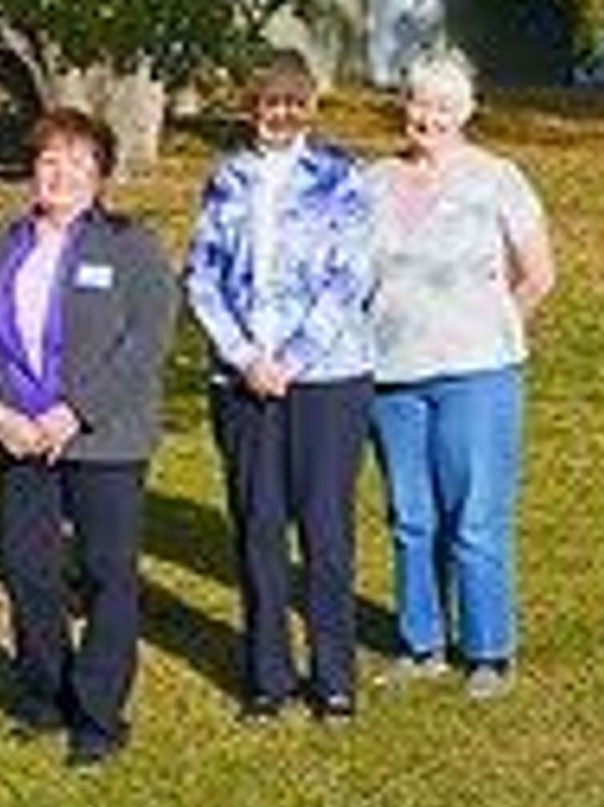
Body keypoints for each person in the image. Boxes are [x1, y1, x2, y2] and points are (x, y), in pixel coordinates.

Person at [0, 105, 174, 766]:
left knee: (106, 573)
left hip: (102, 438)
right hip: (18, 437)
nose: (61, 174)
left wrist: (74, 412)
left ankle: (99, 714)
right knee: (26, 569)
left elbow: (146, 340)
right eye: (49, 159)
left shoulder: (132, 246)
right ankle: (45, 693)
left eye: (77, 162)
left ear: (101, 174)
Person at [184, 49, 380, 721]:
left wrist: (292, 357)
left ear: (311, 109)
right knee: (258, 526)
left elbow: (349, 278)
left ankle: (333, 677)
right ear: (253, 108)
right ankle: (267, 676)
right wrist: (243, 356)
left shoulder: (342, 177)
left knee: (325, 529)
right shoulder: (227, 178)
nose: (281, 115)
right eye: (271, 103)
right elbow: (203, 275)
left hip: (326, 377)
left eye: (294, 104)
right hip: (242, 379)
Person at [364, 51, 555, 699]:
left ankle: (488, 649)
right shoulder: (372, 180)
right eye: (420, 103)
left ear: (466, 111)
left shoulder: (498, 178)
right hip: (391, 373)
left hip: (478, 372)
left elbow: (538, 274)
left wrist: (494, 327)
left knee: (475, 515)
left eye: (444, 106)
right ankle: (422, 643)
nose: (429, 117)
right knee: (411, 515)